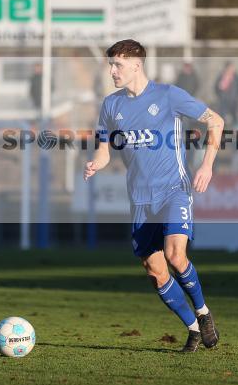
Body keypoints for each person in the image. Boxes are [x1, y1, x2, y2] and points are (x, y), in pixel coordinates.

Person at [84, 39, 222, 353]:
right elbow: (104, 152)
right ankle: (192, 328)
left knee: (176, 255)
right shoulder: (111, 105)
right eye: (111, 65)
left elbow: (217, 121)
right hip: (140, 199)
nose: (112, 71)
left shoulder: (168, 96)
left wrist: (207, 166)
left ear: (136, 64)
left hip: (174, 189)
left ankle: (203, 312)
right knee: (155, 270)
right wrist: (96, 164)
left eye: (117, 64)